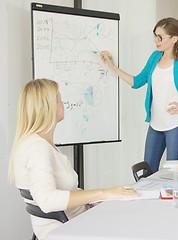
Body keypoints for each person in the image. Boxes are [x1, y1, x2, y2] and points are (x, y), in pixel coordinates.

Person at [8, 79, 139, 239]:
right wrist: (103, 193)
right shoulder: (37, 148)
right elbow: (47, 200)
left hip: (78, 220)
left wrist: (97, 198)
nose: (63, 104)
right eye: (59, 99)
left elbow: (64, 190)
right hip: (68, 229)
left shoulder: (40, 144)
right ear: (49, 106)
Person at [101, 17, 178, 172]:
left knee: (174, 172)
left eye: (160, 37)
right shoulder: (155, 57)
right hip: (155, 124)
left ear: (174, 39)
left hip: (176, 125)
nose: (156, 40)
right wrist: (113, 67)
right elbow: (137, 82)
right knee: (148, 172)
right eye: (155, 35)